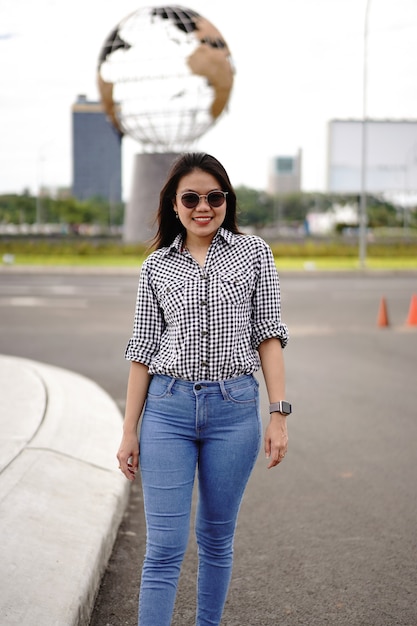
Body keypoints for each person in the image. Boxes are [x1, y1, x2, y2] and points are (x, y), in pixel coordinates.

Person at [117, 152, 290, 626]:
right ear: (174, 204)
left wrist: (278, 414)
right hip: (167, 412)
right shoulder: (156, 267)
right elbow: (143, 351)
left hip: (233, 412)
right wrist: (129, 430)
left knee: (216, 540)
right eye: (190, 197)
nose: (203, 206)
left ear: (226, 202)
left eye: (214, 197)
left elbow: (269, 335)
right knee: (164, 547)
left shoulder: (254, 254)